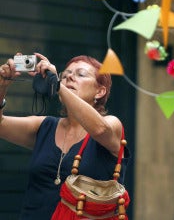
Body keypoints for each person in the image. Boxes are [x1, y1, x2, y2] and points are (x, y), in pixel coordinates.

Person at [0, 52, 130, 219]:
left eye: (80, 74)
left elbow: (100, 130)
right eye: (65, 74)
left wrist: (58, 85)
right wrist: (2, 85)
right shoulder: (45, 125)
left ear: (100, 91)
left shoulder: (112, 124)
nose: (69, 78)